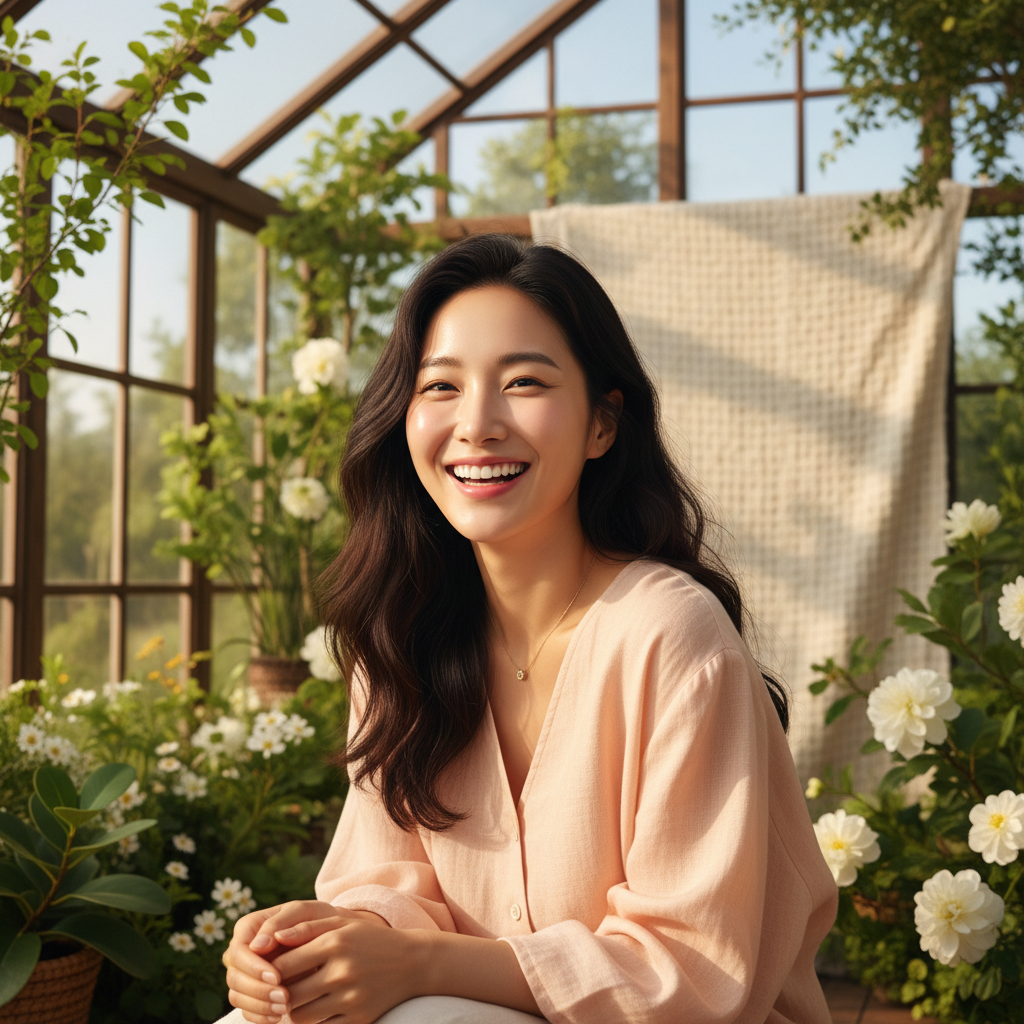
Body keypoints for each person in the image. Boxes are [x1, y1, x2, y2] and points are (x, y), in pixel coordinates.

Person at [217, 234, 838, 1024]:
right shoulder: (404, 633)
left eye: (523, 382)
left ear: (602, 426)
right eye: (440, 386)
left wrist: (418, 963)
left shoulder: (670, 636)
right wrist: (322, 943)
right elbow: (386, 881)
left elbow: (690, 972)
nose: (476, 425)